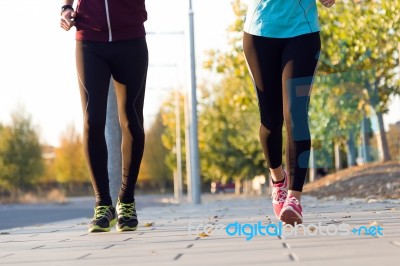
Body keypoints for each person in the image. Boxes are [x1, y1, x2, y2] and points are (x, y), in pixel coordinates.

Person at [243, 0, 335, 225]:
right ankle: (278, 180)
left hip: (302, 32)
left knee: (295, 113)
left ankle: (294, 197)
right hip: (260, 32)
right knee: (270, 120)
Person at [60, 0, 148, 232]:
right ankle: (103, 204)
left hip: (130, 38)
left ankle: (126, 201)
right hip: (89, 38)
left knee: (131, 122)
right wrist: (66, 7)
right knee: (92, 120)